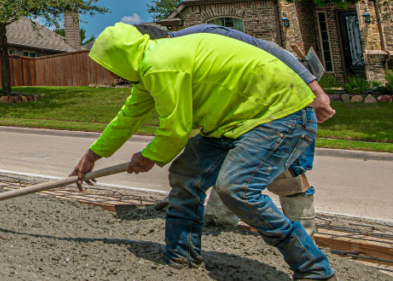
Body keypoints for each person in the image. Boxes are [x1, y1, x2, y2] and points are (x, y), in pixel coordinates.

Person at [71, 23, 337, 281]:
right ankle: (181, 256)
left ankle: (316, 273)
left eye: (108, 65)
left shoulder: (161, 64)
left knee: (238, 189)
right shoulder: (150, 66)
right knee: (186, 176)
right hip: (231, 121)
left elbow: (175, 131)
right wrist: (93, 155)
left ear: (119, 58)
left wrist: (148, 156)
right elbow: (127, 118)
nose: (110, 73)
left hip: (279, 114)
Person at [135, 23, 331, 236]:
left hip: (283, 95)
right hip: (241, 105)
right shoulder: (171, 61)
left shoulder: (207, 35)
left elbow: (272, 49)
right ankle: (219, 223)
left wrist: (316, 91)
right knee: (228, 164)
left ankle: (304, 235)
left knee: (289, 174)